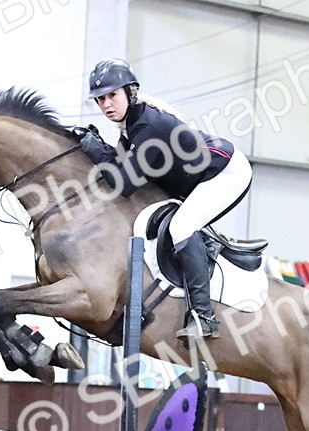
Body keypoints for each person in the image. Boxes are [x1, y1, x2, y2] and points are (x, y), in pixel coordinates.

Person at [77, 59, 252, 341]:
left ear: (129, 92)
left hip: (226, 172)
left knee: (181, 227)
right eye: (100, 99)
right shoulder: (129, 129)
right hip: (197, 178)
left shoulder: (147, 126)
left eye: (112, 95)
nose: (106, 104)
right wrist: (98, 147)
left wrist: (94, 148)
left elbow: (123, 183)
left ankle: (204, 317)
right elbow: (123, 169)